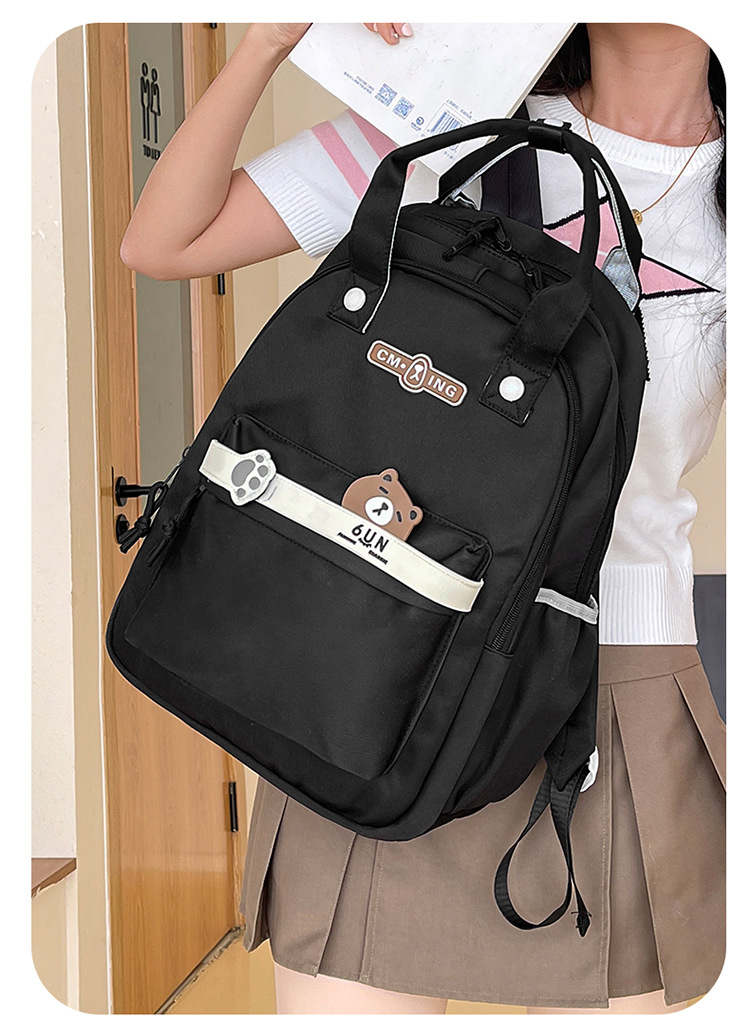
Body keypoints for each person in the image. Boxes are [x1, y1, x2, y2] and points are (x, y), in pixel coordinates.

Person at [120, 22, 726, 1015]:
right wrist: (267, 41)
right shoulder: (448, 125)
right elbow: (161, 242)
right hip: (385, 666)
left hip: (617, 695)